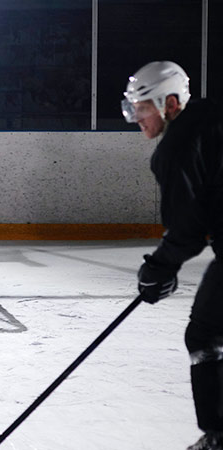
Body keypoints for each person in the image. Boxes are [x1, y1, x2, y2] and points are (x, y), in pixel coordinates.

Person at [122, 61, 223, 450]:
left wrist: (158, 268)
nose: (137, 117)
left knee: (205, 334)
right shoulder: (211, 115)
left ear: (171, 103)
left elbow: (187, 230)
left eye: (143, 107)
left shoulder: (177, 147)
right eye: (134, 107)